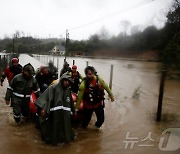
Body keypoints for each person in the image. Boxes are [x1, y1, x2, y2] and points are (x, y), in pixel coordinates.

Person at [35, 73, 74, 146]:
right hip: (54, 113)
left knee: (64, 127)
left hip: (64, 114)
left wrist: (73, 111)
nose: (67, 82)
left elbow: (70, 102)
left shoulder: (68, 90)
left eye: (68, 81)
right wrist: (43, 108)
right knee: (53, 127)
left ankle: (64, 140)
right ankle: (53, 141)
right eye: (65, 80)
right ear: (62, 80)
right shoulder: (53, 88)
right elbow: (46, 97)